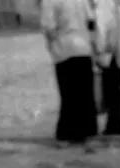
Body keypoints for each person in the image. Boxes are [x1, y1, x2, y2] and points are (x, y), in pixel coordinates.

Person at [39, 0, 98, 144]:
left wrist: (52, 46)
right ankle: (86, 132)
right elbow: (91, 22)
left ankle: (66, 133)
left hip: (64, 49)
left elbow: (49, 27)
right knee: (85, 94)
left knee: (68, 94)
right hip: (83, 49)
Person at [93, 0, 120, 135]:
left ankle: (116, 125)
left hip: (110, 51)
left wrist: (99, 49)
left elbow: (103, 27)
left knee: (112, 90)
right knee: (119, 88)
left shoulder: (104, 3)